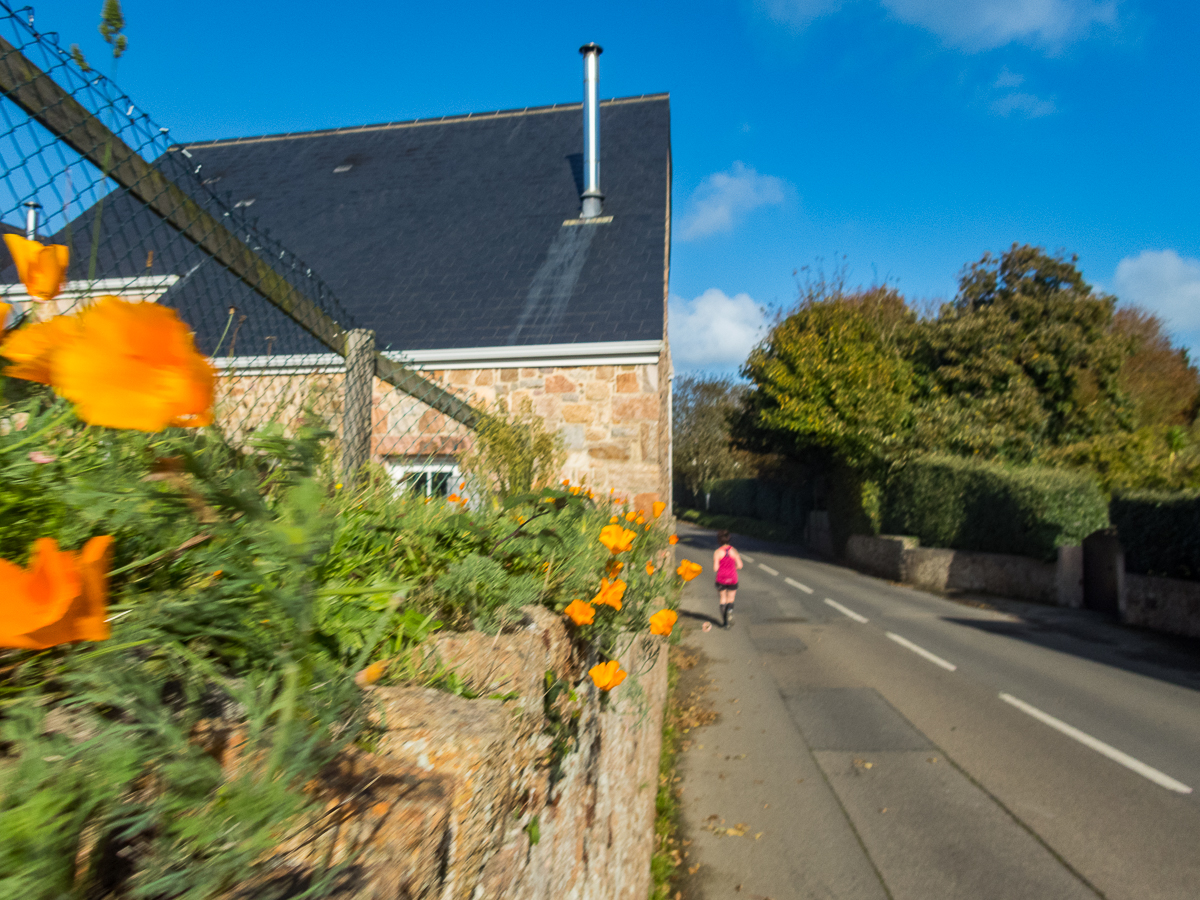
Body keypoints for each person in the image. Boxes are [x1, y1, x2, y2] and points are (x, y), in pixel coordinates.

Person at [712, 530, 743, 628]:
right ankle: (730, 610)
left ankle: (725, 622)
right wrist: (733, 568)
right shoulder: (733, 551)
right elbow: (740, 565)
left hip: (721, 578)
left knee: (722, 599)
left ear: (719, 540)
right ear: (729, 539)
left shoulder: (717, 552)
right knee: (731, 599)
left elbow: (715, 568)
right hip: (732, 578)